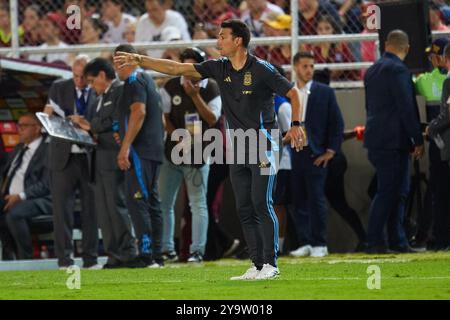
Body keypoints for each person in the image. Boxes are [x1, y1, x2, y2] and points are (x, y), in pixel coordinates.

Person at [114, 19, 305, 280]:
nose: (218, 41)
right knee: (244, 207)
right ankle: (257, 264)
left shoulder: (262, 69)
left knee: (261, 202)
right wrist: (140, 60)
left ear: (238, 40)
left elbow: (294, 93)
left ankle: (271, 263)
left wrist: (295, 125)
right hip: (237, 144)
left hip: (263, 142)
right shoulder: (219, 67)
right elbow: (176, 67)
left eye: (222, 36)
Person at [70, 58, 139, 268]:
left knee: (117, 206)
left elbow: (114, 121)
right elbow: (99, 122)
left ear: (102, 75)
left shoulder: (119, 90)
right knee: (104, 209)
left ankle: (127, 251)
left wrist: (90, 125)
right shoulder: (97, 96)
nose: (90, 85)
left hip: (113, 155)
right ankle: (113, 253)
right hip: (98, 157)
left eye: (92, 80)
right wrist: (87, 125)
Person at [158, 48, 222, 263]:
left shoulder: (210, 87)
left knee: (198, 204)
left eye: (191, 66)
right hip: (173, 152)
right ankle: (167, 248)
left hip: (199, 154)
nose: (187, 71)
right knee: (165, 202)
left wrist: (195, 96)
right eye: (184, 65)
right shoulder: (170, 86)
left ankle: (197, 251)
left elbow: (212, 118)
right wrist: (175, 136)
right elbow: (164, 117)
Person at [364, 30, 424, 254]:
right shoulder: (398, 70)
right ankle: (377, 241)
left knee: (392, 191)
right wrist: (417, 139)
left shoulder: (371, 71)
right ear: (406, 48)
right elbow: (406, 108)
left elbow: (369, 107)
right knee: (392, 192)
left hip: (376, 139)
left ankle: (395, 240)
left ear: (386, 44)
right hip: (394, 140)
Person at [44, 55, 100, 269]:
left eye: (82, 77)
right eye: (75, 76)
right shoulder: (58, 87)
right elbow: (49, 114)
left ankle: (90, 259)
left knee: (91, 210)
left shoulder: (98, 89)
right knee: (62, 211)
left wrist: (84, 123)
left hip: (89, 155)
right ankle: (64, 260)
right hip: (63, 156)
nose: (78, 81)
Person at [113, 44, 165, 268]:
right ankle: (157, 255)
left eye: (121, 60)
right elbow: (160, 120)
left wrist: (125, 146)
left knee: (138, 202)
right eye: (115, 61)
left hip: (139, 152)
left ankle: (147, 256)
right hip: (151, 151)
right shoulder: (149, 81)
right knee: (151, 201)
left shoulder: (134, 81)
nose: (117, 65)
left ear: (133, 59)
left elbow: (139, 112)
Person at [287, 51, 344, 258]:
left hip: (316, 152)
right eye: (304, 66)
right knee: (299, 198)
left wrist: (330, 151)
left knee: (317, 198)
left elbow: (336, 123)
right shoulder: (288, 92)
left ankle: (320, 242)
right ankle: (306, 242)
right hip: (295, 151)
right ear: (295, 67)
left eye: (311, 66)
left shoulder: (324, 92)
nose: (309, 70)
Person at [412, 37, 450, 251]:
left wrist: (430, 129)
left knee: (438, 191)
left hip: (440, 143)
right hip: (443, 141)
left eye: (433, 56)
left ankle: (437, 237)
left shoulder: (425, 80)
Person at [0, 113, 51, 260]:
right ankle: (8, 257)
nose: (19, 130)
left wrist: (21, 196)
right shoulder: (18, 148)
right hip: (10, 197)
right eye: (18, 126)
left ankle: (26, 260)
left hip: (39, 199)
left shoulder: (47, 150)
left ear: (37, 128)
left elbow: (46, 184)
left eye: (24, 126)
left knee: (14, 213)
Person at [427, 43, 450, 252]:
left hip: (447, 145)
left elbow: (448, 113)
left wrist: (431, 128)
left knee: (442, 194)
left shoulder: (448, 82)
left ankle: (443, 239)